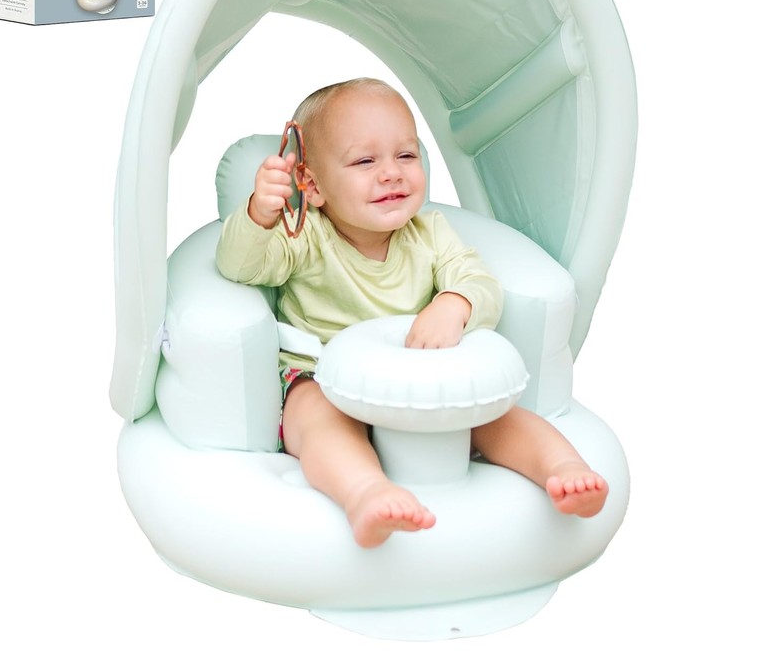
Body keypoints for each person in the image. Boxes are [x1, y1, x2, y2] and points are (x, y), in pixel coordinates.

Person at [216, 77, 607, 548]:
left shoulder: (430, 233)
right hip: (323, 379)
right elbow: (241, 266)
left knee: (497, 414)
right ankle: (365, 494)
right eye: (365, 161)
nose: (392, 173)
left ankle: (562, 468)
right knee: (316, 420)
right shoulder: (305, 237)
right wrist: (260, 214)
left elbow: (479, 282)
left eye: (406, 155)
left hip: (420, 382)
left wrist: (455, 303)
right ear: (312, 186)